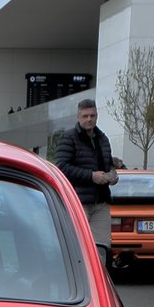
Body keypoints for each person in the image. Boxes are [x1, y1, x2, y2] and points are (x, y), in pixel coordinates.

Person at [54, 98, 118, 267]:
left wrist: (112, 174)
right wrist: (91, 176)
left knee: (102, 248)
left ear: (97, 116)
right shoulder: (69, 137)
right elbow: (60, 167)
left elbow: (108, 164)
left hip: (101, 201)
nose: (89, 119)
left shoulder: (102, 138)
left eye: (93, 115)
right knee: (76, 247)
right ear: (78, 117)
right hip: (79, 202)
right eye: (85, 116)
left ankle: (99, 286)